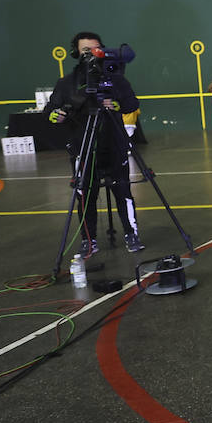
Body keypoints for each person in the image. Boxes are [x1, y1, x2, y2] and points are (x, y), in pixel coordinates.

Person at [44, 30, 144, 255]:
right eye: (85, 50)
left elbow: (131, 104)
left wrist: (116, 105)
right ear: (76, 53)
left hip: (114, 144)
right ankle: (89, 240)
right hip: (83, 146)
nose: (91, 54)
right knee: (85, 194)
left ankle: (131, 233)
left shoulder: (115, 78)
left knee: (123, 191)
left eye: (95, 48)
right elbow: (50, 109)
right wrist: (54, 115)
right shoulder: (67, 83)